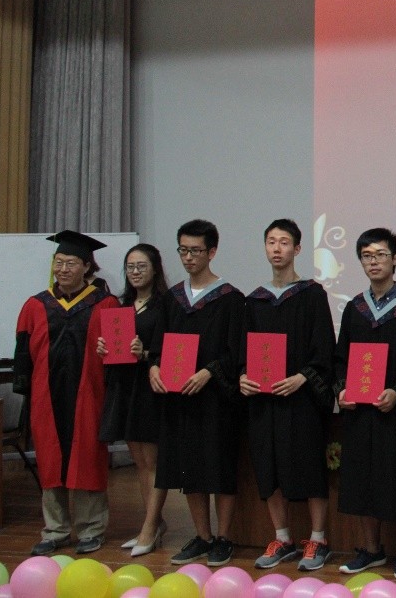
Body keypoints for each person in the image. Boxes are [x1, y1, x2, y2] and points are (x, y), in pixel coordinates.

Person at [334, 228, 396, 579]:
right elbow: (341, 357)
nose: (373, 262)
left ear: (395, 258)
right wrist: (342, 389)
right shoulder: (355, 309)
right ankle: (371, 549)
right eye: (367, 256)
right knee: (362, 478)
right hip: (361, 412)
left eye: (380, 255)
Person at [240, 219, 337, 572]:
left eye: (284, 242)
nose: (277, 248)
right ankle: (282, 538)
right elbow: (243, 351)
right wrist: (243, 377)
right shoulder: (255, 301)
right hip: (265, 400)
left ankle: (318, 538)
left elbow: (324, 349)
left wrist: (302, 378)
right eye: (271, 242)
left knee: (309, 466)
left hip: (302, 399)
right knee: (269, 466)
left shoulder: (312, 295)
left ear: (297, 249)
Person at [14, 231, 119, 556]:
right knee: (50, 459)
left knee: (87, 458)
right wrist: (27, 395)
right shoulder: (35, 305)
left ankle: (91, 529)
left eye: (70, 263)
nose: (62, 269)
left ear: (87, 266)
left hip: (90, 396)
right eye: (58, 262)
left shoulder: (106, 304)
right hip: (46, 397)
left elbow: (117, 356)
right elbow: (23, 355)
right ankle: (55, 530)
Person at [149, 219, 244, 567]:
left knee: (219, 468)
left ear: (212, 252)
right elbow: (158, 345)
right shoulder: (173, 299)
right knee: (189, 468)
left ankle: (224, 537)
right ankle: (202, 536)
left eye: (196, 251)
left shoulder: (230, 299)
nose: (188, 257)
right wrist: (154, 367)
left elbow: (237, 351)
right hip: (181, 398)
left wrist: (209, 372)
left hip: (216, 399)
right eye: (183, 250)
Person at [96, 243, 171, 557]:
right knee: (139, 462)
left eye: (142, 266)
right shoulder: (121, 304)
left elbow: (171, 350)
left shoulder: (166, 305)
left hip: (150, 387)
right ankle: (154, 523)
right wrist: (104, 348)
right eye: (130, 267)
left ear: (155, 269)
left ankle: (149, 529)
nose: (135, 272)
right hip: (125, 387)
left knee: (153, 463)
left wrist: (147, 353)